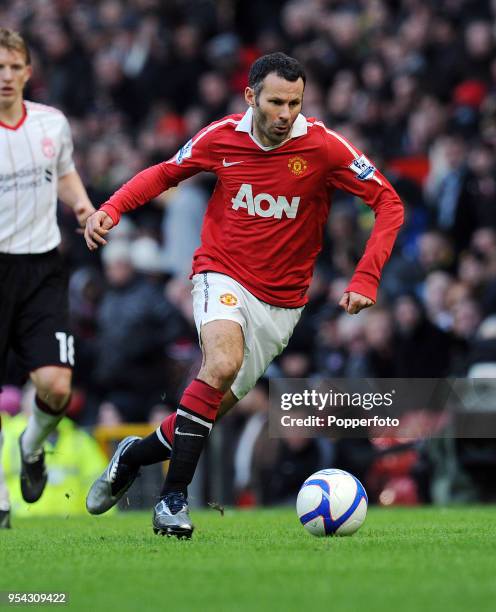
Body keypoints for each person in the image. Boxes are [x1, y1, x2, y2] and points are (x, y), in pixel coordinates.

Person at [85, 52, 404, 538]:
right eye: (276, 101)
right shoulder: (222, 137)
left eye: (294, 103)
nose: (285, 114)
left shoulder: (324, 147)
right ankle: (173, 501)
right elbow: (165, 172)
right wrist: (112, 208)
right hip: (222, 273)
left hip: (283, 304)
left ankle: (133, 453)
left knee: (206, 408)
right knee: (220, 364)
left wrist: (366, 277)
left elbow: (388, 202)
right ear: (251, 96)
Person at [0, 28, 96, 528]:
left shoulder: (51, 124)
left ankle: (30, 446)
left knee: (57, 387)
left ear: (28, 71)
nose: (6, 77)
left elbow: (62, 171)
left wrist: (81, 206)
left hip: (40, 268)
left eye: (14, 67)